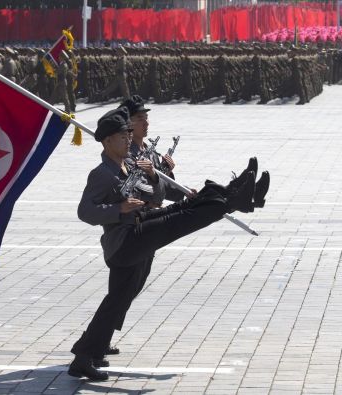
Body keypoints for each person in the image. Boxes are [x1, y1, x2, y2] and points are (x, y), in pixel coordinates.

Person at [68, 105, 270, 381]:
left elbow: (158, 196)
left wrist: (153, 176)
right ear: (107, 141)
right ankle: (235, 200)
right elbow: (85, 211)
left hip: (138, 232)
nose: (129, 139)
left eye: (129, 134)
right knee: (183, 219)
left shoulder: (127, 166)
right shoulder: (102, 173)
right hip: (126, 242)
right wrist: (120, 209)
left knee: (119, 298)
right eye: (122, 135)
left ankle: (234, 194)